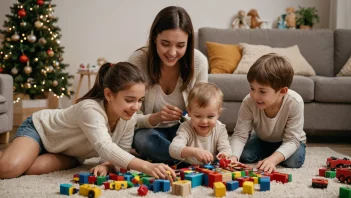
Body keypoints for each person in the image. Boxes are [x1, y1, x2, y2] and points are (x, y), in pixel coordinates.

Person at [0, 62, 176, 180]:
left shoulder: (128, 118)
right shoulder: (89, 109)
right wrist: (146, 166)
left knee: (31, 170)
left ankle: (21, 153)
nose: (136, 106)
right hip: (41, 130)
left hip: (69, 152)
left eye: (140, 100)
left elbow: (119, 153)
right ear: (109, 94)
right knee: (8, 170)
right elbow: (104, 146)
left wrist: (107, 165)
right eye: (130, 100)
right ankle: (14, 152)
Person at [128, 6, 208, 165]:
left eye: (180, 45)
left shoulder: (198, 62)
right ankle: (187, 159)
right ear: (154, 38)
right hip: (151, 132)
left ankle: (175, 157)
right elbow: (128, 118)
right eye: (165, 43)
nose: (172, 53)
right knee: (142, 139)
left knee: (204, 141)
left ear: (188, 42)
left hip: (185, 133)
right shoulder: (138, 61)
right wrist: (153, 118)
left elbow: (204, 108)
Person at [230, 53, 306, 173]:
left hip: (290, 141)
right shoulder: (248, 102)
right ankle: (270, 154)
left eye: (262, 91)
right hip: (262, 139)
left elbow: (292, 140)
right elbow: (240, 135)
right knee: (243, 155)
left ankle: (272, 155)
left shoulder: (295, 102)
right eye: (252, 88)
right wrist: (233, 158)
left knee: (294, 161)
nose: (255, 95)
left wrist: (272, 160)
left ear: (282, 91)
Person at [169, 82, 232, 165]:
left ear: (218, 114)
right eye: (198, 116)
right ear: (189, 112)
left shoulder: (220, 129)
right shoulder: (186, 128)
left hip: (211, 168)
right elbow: (173, 149)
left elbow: (226, 148)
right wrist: (194, 151)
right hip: (188, 167)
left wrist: (224, 154)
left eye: (210, 116)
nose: (204, 121)